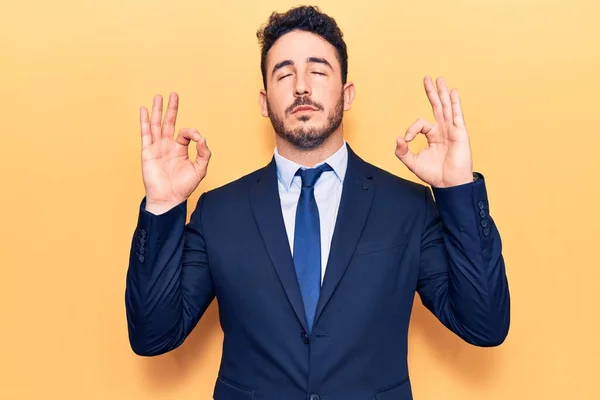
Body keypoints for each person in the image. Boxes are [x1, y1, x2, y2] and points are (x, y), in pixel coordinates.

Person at [125, 5, 510, 400]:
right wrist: (162, 204)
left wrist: (458, 189)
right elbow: (153, 336)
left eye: (318, 70)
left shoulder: (407, 206)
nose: (301, 86)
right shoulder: (219, 212)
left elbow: (484, 324)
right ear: (263, 100)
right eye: (285, 73)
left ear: (347, 93)